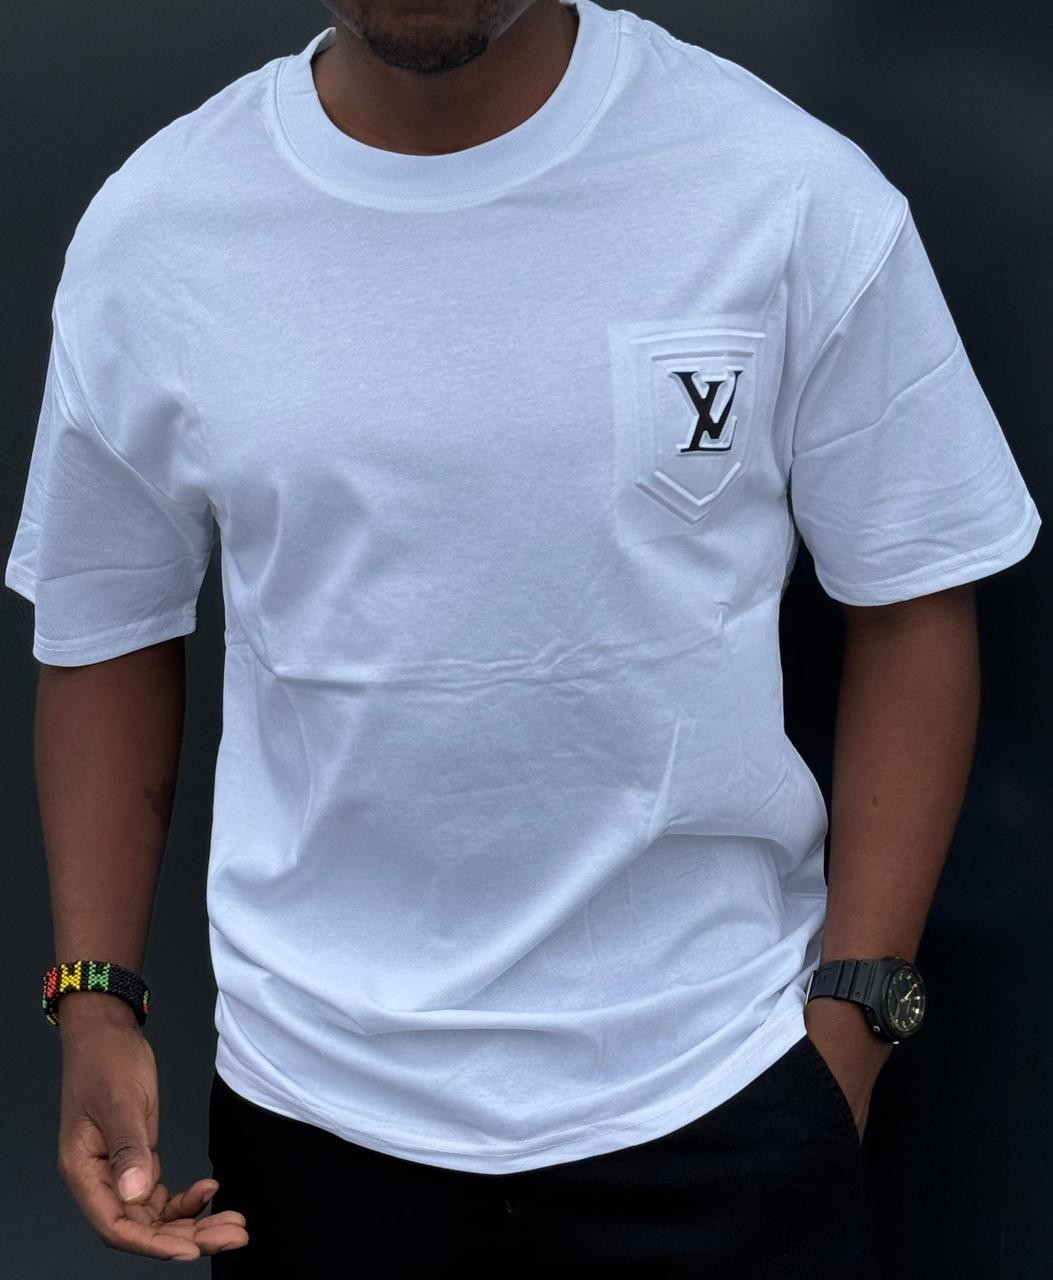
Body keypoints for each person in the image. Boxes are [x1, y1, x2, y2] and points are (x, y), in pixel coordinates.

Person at [6, 0, 1041, 1273]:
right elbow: (106, 623)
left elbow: (914, 600)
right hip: (314, 1116)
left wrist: (858, 1019)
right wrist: (94, 1001)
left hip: (718, 1092)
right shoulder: (159, 229)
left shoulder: (786, 191)